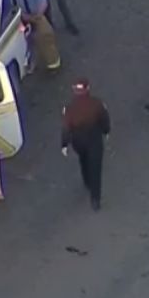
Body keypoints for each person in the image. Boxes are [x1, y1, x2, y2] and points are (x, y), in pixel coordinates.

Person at [61, 77, 111, 211]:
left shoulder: (69, 109)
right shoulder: (96, 104)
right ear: (87, 88)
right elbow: (104, 119)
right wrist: (106, 131)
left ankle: (86, 180)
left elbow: (66, 128)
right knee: (96, 169)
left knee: (83, 160)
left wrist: (64, 145)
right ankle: (95, 199)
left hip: (79, 142)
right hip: (94, 140)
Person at [9, 0, 61, 71]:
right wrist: (37, 17)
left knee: (24, 42)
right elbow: (43, 3)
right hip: (36, 18)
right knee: (47, 39)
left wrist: (22, 16)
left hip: (18, 20)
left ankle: (29, 64)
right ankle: (53, 65)